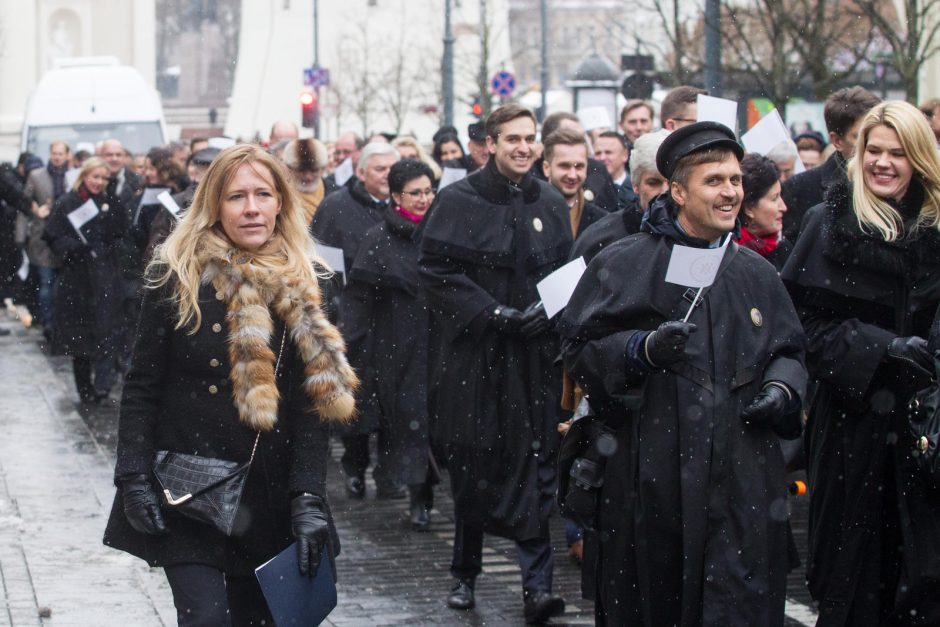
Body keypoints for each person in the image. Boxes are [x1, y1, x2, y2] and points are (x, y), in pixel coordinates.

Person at [558, 121, 807, 626]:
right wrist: (640, 350)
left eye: (735, 180)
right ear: (676, 190)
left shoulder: (756, 272)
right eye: (714, 180)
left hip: (741, 482)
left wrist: (782, 389)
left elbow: (791, 350)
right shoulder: (624, 262)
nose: (731, 192)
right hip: (650, 478)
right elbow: (580, 354)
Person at [102, 143, 358, 626]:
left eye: (263, 193)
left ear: (281, 200)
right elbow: (142, 386)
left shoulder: (308, 279)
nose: (252, 207)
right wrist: (133, 477)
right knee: (206, 619)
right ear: (214, 205)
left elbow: (312, 407)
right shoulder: (175, 274)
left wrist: (307, 496)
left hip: (269, 488)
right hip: (189, 487)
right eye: (237, 196)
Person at [781, 100, 940, 625]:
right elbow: (800, 325)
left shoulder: (935, 229)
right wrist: (878, 347)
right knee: (853, 583)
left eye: (898, 152)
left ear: (919, 158)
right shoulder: (827, 223)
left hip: (928, 432)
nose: (883, 163)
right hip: (853, 430)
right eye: (874, 150)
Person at [419, 103, 570, 623]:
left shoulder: (549, 201)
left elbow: (564, 275)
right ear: (491, 143)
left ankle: (537, 587)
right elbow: (435, 271)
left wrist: (546, 314)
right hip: (475, 359)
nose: (524, 148)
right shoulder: (456, 201)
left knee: (535, 464)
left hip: (532, 360)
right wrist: (493, 313)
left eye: (531, 139)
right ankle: (464, 573)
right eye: (513, 139)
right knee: (475, 466)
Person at [342, 159, 438, 532]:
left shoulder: (440, 231)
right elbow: (359, 300)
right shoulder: (378, 239)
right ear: (397, 196)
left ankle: (422, 494)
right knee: (409, 423)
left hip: (437, 342)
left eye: (429, 191)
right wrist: (352, 345)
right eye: (415, 193)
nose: (424, 199)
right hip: (394, 344)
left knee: (430, 421)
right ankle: (418, 499)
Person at [311, 142, 401, 499]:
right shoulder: (336, 207)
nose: (387, 177)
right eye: (380, 169)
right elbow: (322, 265)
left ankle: (390, 471)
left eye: (393, 170)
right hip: (353, 315)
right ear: (361, 172)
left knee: (396, 399)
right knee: (358, 397)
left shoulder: (406, 205)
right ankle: (355, 464)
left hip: (396, 317)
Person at [42, 157, 129, 403]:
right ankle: (85, 388)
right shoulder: (68, 202)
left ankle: (103, 383)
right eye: (95, 177)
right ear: (84, 176)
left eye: (103, 178)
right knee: (80, 338)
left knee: (106, 330)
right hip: (77, 279)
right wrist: (76, 246)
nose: (99, 182)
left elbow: (120, 229)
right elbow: (52, 236)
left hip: (105, 274)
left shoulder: (108, 201)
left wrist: (111, 202)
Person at [781, 86, 880, 241]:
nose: (872, 144)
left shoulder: (896, 182)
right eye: (860, 137)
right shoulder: (799, 190)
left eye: (874, 134)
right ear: (836, 140)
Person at [571, 129, 669, 263]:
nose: (664, 191)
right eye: (653, 183)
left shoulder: (699, 232)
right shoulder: (600, 238)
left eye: (672, 183)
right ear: (635, 184)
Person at [19, 141, 70, 335]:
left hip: (65, 237)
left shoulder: (72, 177)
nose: (57, 157)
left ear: (66, 155)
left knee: (61, 284)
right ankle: (48, 323)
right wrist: (35, 211)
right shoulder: (37, 175)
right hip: (42, 237)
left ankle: (60, 322)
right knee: (46, 282)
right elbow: (25, 201)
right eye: (54, 153)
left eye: (60, 153)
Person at [532, 111, 619, 212]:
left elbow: (611, 212)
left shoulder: (597, 169)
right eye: (569, 136)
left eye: (582, 137)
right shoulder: (531, 176)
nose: (572, 175)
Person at [541, 127, 607, 237]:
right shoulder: (528, 212)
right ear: (546, 168)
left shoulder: (601, 221)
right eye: (564, 166)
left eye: (579, 167)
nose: (572, 175)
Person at [736, 153, 791, 269]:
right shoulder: (728, 255)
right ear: (749, 208)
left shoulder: (783, 249)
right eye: (774, 198)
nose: (784, 207)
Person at [282, 138, 330, 225]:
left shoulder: (335, 192)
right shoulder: (281, 194)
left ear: (323, 169)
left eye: (314, 170)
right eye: (301, 170)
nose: (308, 177)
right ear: (289, 169)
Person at [593, 130, 636, 209]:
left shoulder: (636, 186)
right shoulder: (589, 188)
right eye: (598, 153)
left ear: (625, 155)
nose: (602, 158)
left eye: (608, 152)